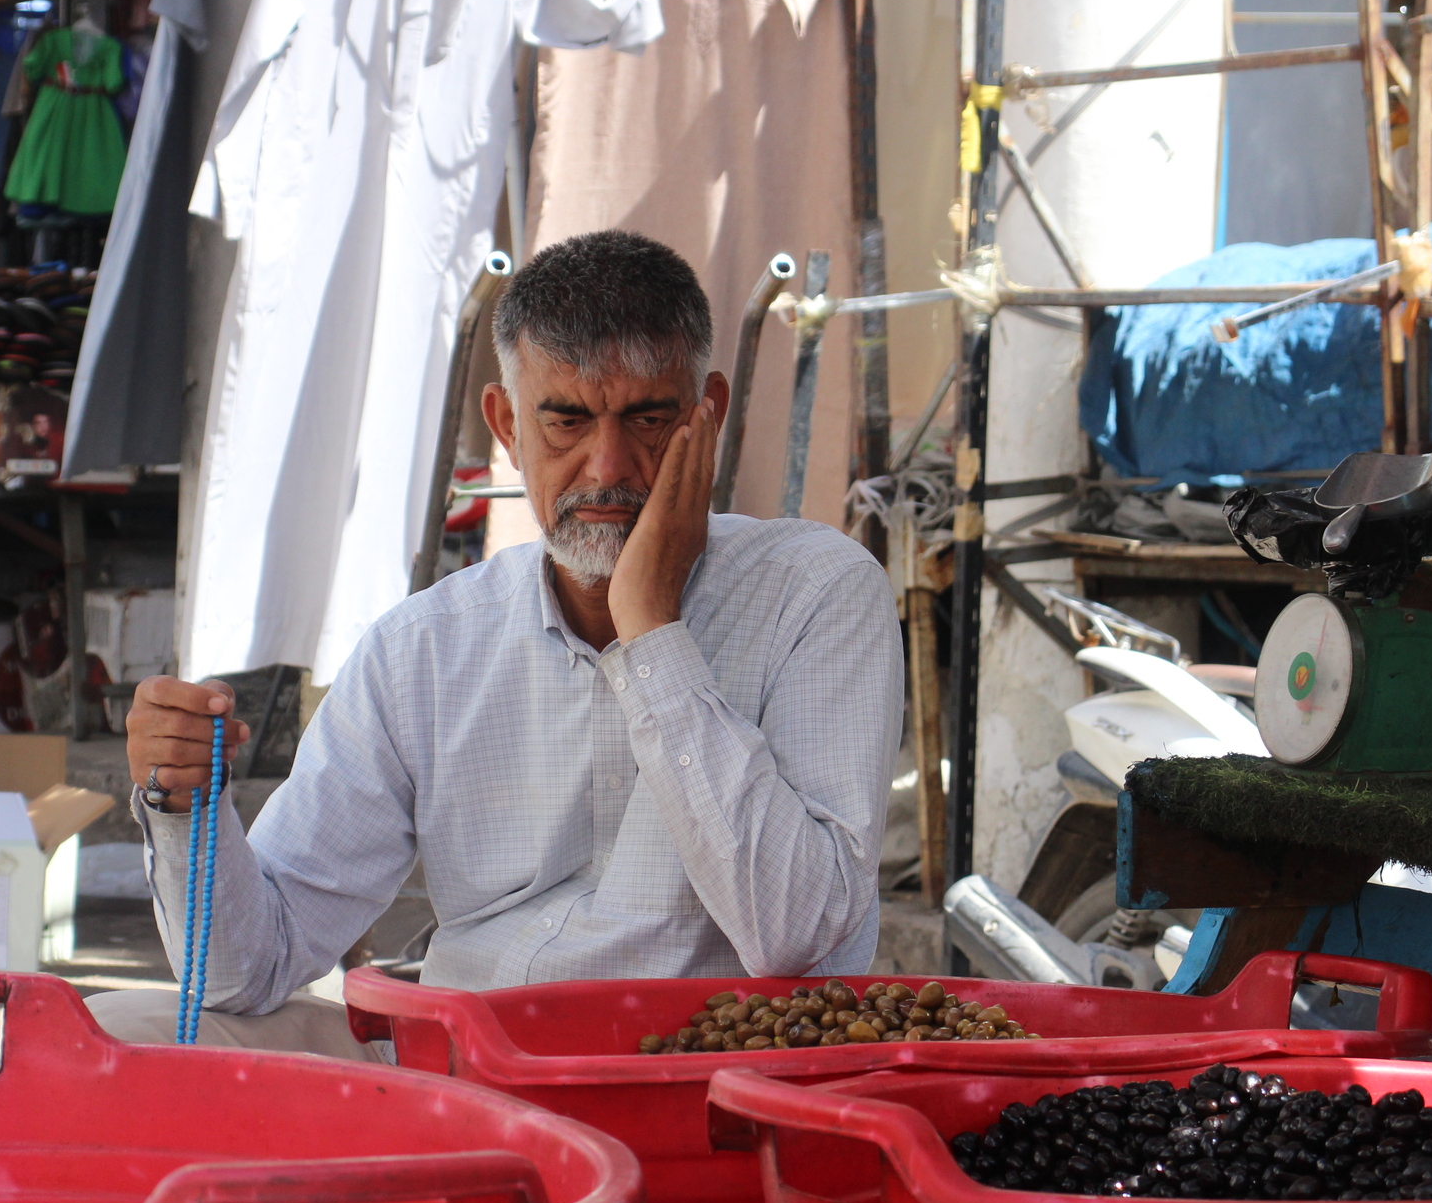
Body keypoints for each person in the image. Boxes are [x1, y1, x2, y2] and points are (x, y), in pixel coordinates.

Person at [91, 231, 904, 1056]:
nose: (606, 466)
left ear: (710, 415)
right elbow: (246, 970)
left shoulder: (818, 591)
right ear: (507, 426)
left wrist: (651, 629)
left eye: (649, 420)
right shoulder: (425, 648)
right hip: (467, 1073)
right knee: (123, 1035)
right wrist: (184, 805)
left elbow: (797, 934)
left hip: (700, 1085)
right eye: (567, 422)